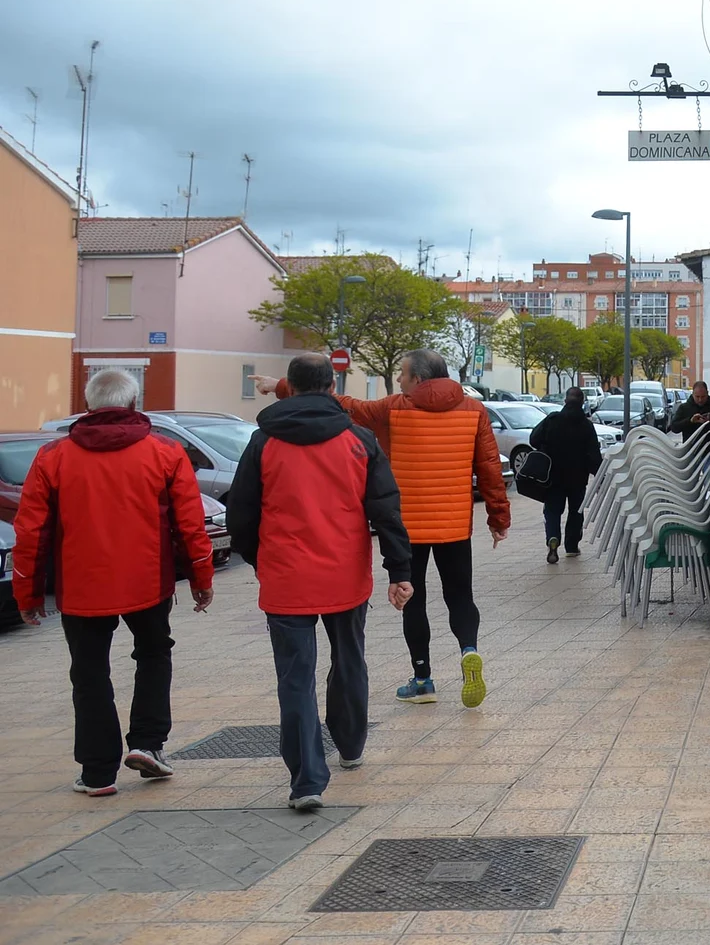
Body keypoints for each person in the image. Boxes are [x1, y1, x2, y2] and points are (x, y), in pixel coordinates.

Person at [254, 348, 508, 709]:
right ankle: (469, 649)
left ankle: (423, 680)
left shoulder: (394, 408)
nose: (401, 380)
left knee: (414, 600)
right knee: (460, 595)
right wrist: (498, 519)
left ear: (418, 378)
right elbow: (489, 468)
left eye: (403, 374)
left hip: (407, 527)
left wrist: (280, 385)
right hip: (453, 526)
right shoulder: (475, 410)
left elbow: (344, 404)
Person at [10, 369, 215, 797]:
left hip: (82, 587)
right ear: (134, 403)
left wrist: (26, 594)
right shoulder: (166, 452)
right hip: (148, 582)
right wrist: (201, 577)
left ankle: (98, 772)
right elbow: (190, 524)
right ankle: (148, 743)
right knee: (154, 656)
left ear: (88, 407)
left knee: (88, 674)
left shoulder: (53, 457)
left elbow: (31, 532)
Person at [227, 354, 415, 812]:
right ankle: (350, 745)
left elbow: (241, 515)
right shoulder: (359, 440)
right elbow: (385, 508)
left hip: (286, 577)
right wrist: (400, 571)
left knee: (295, 678)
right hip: (345, 574)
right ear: (333, 386)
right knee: (349, 660)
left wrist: (260, 560)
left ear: (289, 386)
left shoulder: (262, 442)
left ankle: (307, 779)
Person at [529, 387, 603, 564]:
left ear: (565, 401)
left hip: (553, 477)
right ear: (582, 402)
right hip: (577, 478)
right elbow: (593, 455)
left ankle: (553, 538)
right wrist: (600, 477)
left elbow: (533, 440)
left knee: (553, 511)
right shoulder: (586, 425)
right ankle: (571, 547)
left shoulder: (552, 419)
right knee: (576, 512)